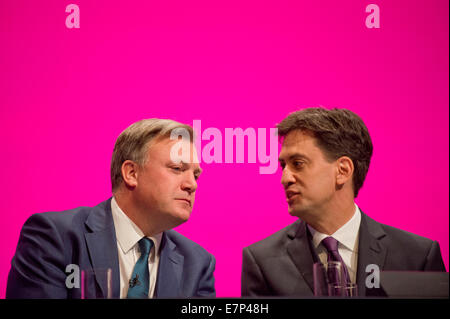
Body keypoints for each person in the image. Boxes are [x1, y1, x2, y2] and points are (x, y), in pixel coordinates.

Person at [241, 107, 446, 297]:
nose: (285, 178)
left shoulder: (418, 257)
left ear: (343, 170)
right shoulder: (263, 261)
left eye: (298, 164)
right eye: (283, 165)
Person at [7, 119, 215, 299]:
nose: (192, 184)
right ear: (131, 173)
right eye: (177, 169)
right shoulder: (55, 238)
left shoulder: (197, 264)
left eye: (196, 175)